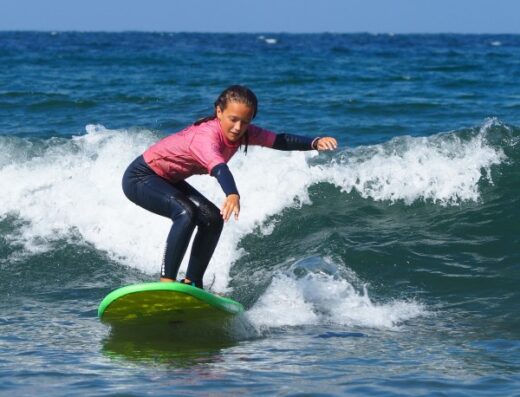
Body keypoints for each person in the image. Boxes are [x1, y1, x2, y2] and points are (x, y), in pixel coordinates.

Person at [122, 85, 337, 289]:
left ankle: (192, 283)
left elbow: (279, 140)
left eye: (245, 122)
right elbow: (219, 168)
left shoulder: (244, 132)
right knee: (185, 212)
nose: (238, 127)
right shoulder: (206, 136)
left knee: (212, 219)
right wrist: (232, 193)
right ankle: (166, 283)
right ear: (219, 112)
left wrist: (314, 142)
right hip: (141, 177)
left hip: (168, 178)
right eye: (233, 120)